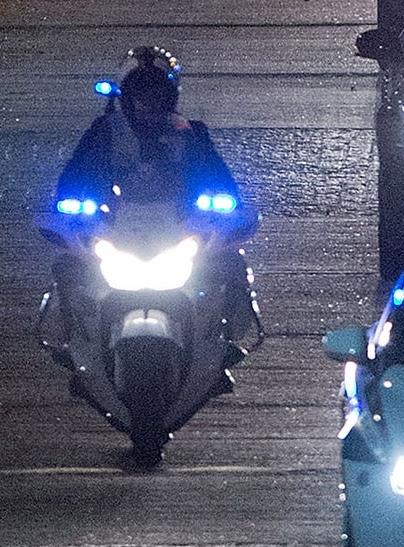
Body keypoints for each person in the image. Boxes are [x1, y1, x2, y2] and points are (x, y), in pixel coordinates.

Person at [44, 47, 262, 371]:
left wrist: (222, 204)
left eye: (157, 94)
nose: (149, 102)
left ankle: (227, 337)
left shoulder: (191, 134)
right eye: (141, 94)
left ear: (169, 97)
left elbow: (219, 179)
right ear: (127, 98)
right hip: (115, 227)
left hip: (179, 228)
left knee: (229, 263)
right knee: (68, 267)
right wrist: (74, 205)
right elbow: (75, 177)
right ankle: (69, 337)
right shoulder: (104, 133)